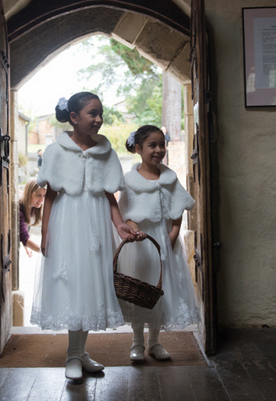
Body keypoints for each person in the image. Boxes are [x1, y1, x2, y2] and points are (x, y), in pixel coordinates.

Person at [30, 92, 142, 380]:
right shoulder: (56, 151)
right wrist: (46, 232)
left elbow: (109, 195)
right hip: (67, 222)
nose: (98, 119)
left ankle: (80, 353)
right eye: (92, 113)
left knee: (91, 284)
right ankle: (72, 354)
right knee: (73, 285)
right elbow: (51, 194)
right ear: (74, 118)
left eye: (100, 113)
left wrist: (118, 225)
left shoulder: (106, 151)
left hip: (95, 224)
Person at [116, 125, 200, 362]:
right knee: (140, 290)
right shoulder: (130, 181)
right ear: (138, 149)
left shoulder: (169, 178)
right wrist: (136, 231)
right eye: (152, 145)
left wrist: (171, 238)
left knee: (161, 291)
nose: (158, 150)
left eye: (162, 144)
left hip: (164, 241)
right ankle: (136, 342)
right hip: (140, 243)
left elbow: (177, 213)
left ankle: (155, 342)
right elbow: (127, 213)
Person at [19, 179, 45, 255]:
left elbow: (23, 230)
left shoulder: (32, 207)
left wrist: (26, 247)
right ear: (29, 194)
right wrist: (45, 252)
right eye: (38, 195)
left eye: (44, 195)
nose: (42, 199)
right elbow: (25, 238)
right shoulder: (19, 212)